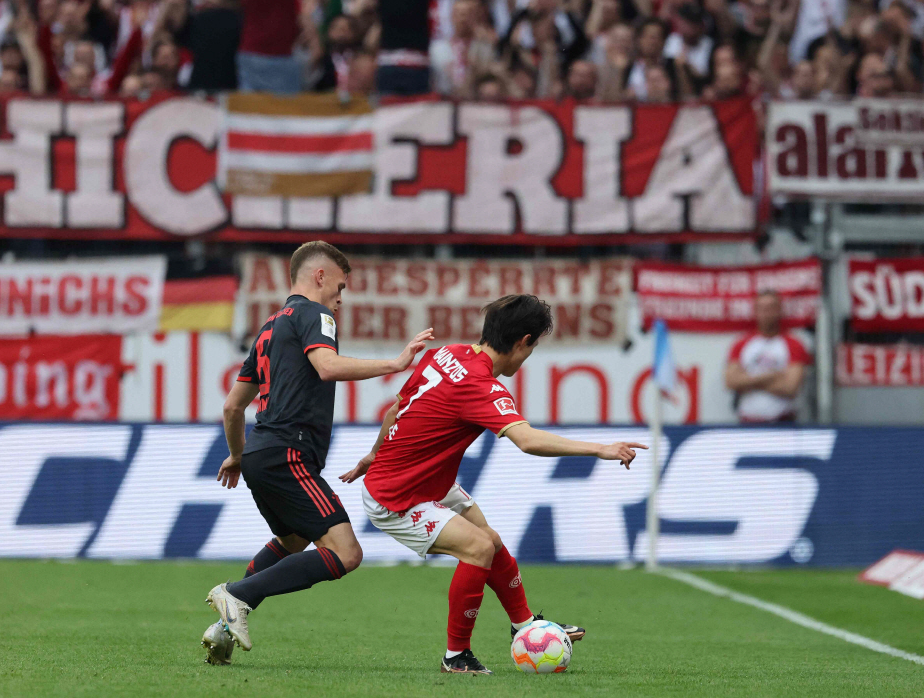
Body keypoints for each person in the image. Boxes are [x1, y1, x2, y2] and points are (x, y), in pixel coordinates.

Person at [342, 295, 645, 674]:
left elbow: (395, 408)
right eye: (533, 347)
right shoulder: (481, 386)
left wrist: (374, 453)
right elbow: (528, 440)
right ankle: (456, 657)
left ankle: (525, 625)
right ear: (523, 342)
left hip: (418, 477)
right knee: (478, 548)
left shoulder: (446, 353)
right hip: (397, 494)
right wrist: (600, 449)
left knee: (491, 540)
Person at [203, 241, 434, 664]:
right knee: (348, 553)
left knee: (293, 540)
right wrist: (395, 364)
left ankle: (221, 629)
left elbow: (232, 406)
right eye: (341, 287)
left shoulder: (271, 325)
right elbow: (327, 366)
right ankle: (235, 594)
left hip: (261, 453)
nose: (341, 299)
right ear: (320, 276)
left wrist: (238, 454)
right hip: (290, 451)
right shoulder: (315, 314)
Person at [724, 291, 810, 423]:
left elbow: (790, 387)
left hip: (783, 422)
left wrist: (747, 382)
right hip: (748, 422)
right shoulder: (741, 344)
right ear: (756, 311)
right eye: (762, 308)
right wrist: (772, 376)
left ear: (779, 310)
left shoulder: (794, 344)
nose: (767, 313)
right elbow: (731, 382)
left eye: (771, 308)